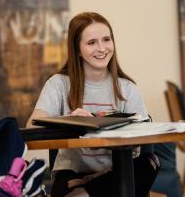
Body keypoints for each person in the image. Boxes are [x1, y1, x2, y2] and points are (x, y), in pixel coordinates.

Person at [26, 12, 159, 197]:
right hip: (73, 173)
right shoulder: (58, 83)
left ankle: (85, 190)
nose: (102, 48)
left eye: (106, 39)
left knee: (150, 163)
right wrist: (66, 121)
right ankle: (90, 187)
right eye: (91, 42)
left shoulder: (128, 88)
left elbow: (142, 140)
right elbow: (31, 127)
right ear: (77, 49)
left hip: (117, 172)